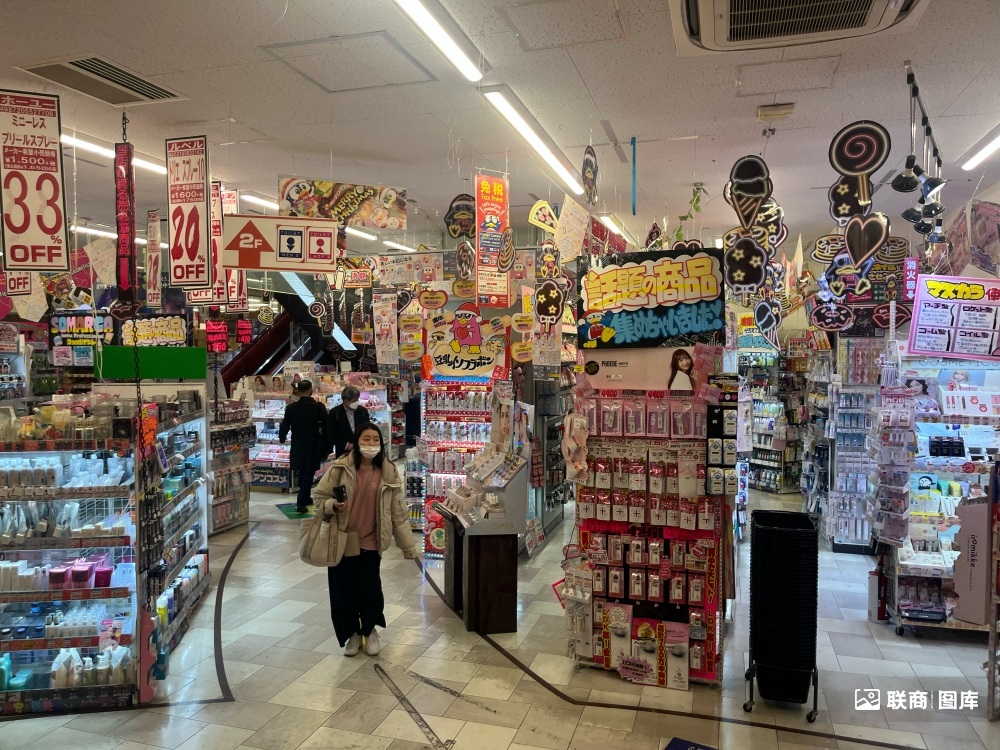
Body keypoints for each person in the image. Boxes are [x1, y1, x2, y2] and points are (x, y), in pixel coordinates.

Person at [314, 423, 417, 656]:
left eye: (375, 440)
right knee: (343, 590)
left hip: (371, 540)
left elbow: (398, 513)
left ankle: (370, 630)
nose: (371, 444)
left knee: (370, 589)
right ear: (356, 441)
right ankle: (351, 633)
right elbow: (319, 496)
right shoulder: (340, 468)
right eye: (366, 439)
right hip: (342, 540)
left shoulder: (388, 471)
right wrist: (332, 505)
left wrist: (408, 547)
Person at [278, 380, 330, 513]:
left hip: (297, 445)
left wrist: (282, 438)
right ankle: (301, 502)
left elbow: (285, 425)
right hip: (313, 445)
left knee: (302, 471)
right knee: (309, 472)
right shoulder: (318, 407)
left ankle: (305, 498)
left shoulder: (291, 407)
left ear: (298, 391)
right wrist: (328, 443)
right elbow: (327, 426)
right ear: (311, 390)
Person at [328, 385, 370, 456]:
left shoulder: (363, 411)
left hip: (361, 450)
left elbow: (367, 429)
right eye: (354, 400)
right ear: (346, 401)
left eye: (357, 399)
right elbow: (331, 434)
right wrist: (346, 445)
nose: (357, 402)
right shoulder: (334, 413)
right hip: (343, 452)